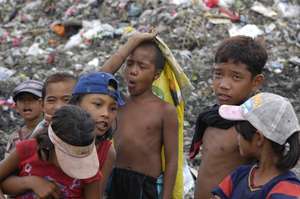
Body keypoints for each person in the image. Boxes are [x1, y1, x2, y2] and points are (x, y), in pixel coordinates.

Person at [101, 31, 179, 199]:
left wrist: (166, 196)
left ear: (156, 75)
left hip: (146, 184)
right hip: (115, 179)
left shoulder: (165, 111)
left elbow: (172, 160)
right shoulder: (118, 103)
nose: (133, 71)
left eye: (142, 66)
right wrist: (131, 42)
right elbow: (101, 77)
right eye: (129, 64)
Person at [189, 36, 267, 199]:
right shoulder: (211, 117)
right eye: (218, 74)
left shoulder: (253, 127)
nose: (223, 84)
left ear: (256, 82)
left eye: (236, 77)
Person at [0, 105, 102, 199]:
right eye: (70, 159)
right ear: (51, 144)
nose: (77, 165)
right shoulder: (27, 149)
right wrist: (30, 182)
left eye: (81, 160)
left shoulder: (89, 170)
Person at [211, 92, 300, 199]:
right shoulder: (240, 174)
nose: (237, 138)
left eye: (240, 132)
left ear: (258, 138)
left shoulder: (287, 189)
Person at [69, 71, 124, 196]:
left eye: (113, 108)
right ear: (77, 104)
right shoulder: (53, 136)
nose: (106, 114)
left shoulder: (107, 152)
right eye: (98, 104)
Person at [5, 80, 43, 156]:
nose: (26, 103)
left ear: (43, 103)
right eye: (21, 99)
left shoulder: (51, 131)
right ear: (16, 107)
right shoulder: (14, 138)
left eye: (32, 99)